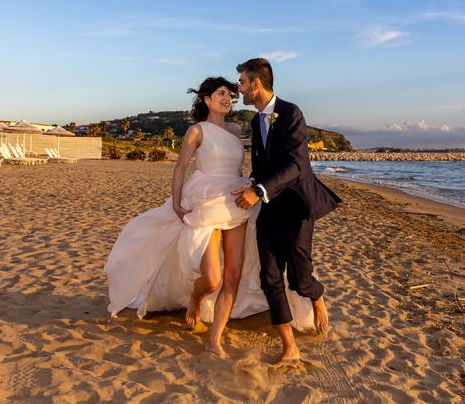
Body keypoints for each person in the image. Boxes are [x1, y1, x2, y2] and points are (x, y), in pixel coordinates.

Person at [105, 77, 313, 359]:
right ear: (207, 100)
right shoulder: (196, 131)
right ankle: (194, 298)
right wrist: (177, 204)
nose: (228, 98)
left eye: (230, 94)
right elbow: (179, 169)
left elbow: (257, 159)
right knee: (212, 278)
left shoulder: (236, 127)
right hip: (206, 200)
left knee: (234, 274)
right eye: (221, 94)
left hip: (235, 200)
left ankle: (215, 339)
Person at [232, 58, 341, 364]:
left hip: (295, 207)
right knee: (269, 278)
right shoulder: (255, 122)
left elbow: (296, 166)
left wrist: (258, 190)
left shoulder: (291, 113)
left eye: (241, 82)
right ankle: (289, 347)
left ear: (256, 83)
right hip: (268, 207)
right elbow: (263, 166)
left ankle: (317, 296)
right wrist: (251, 184)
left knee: (299, 281)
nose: (238, 88)